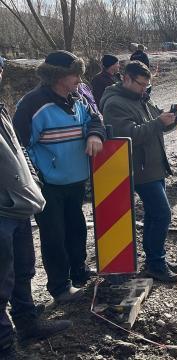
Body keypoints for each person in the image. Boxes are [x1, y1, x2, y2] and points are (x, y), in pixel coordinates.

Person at [12, 51, 106, 303]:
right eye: (74, 73)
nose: (79, 78)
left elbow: (96, 118)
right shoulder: (32, 104)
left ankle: (79, 274)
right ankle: (60, 287)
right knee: (54, 236)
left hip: (75, 182)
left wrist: (94, 134)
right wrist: (36, 178)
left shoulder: (77, 98)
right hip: (48, 186)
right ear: (57, 75)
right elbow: (18, 146)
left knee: (76, 230)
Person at [0, 56, 73, 360]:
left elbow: (19, 148)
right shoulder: (30, 103)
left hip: (18, 204)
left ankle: (27, 323)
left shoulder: (2, 108)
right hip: (3, 209)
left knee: (22, 269)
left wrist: (32, 180)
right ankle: (5, 347)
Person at [100, 61, 177, 282]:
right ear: (126, 78)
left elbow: (157, 125)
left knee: (155, 215)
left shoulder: (141, 98)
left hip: (154, 167)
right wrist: (158, 122)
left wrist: (172, 119)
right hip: (139, 170)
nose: (145, 89)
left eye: (147, 85)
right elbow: (128, 135)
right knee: (162, 214)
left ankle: (154, 259)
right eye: (141, 84)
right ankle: (156, 263)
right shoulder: (115, 103)